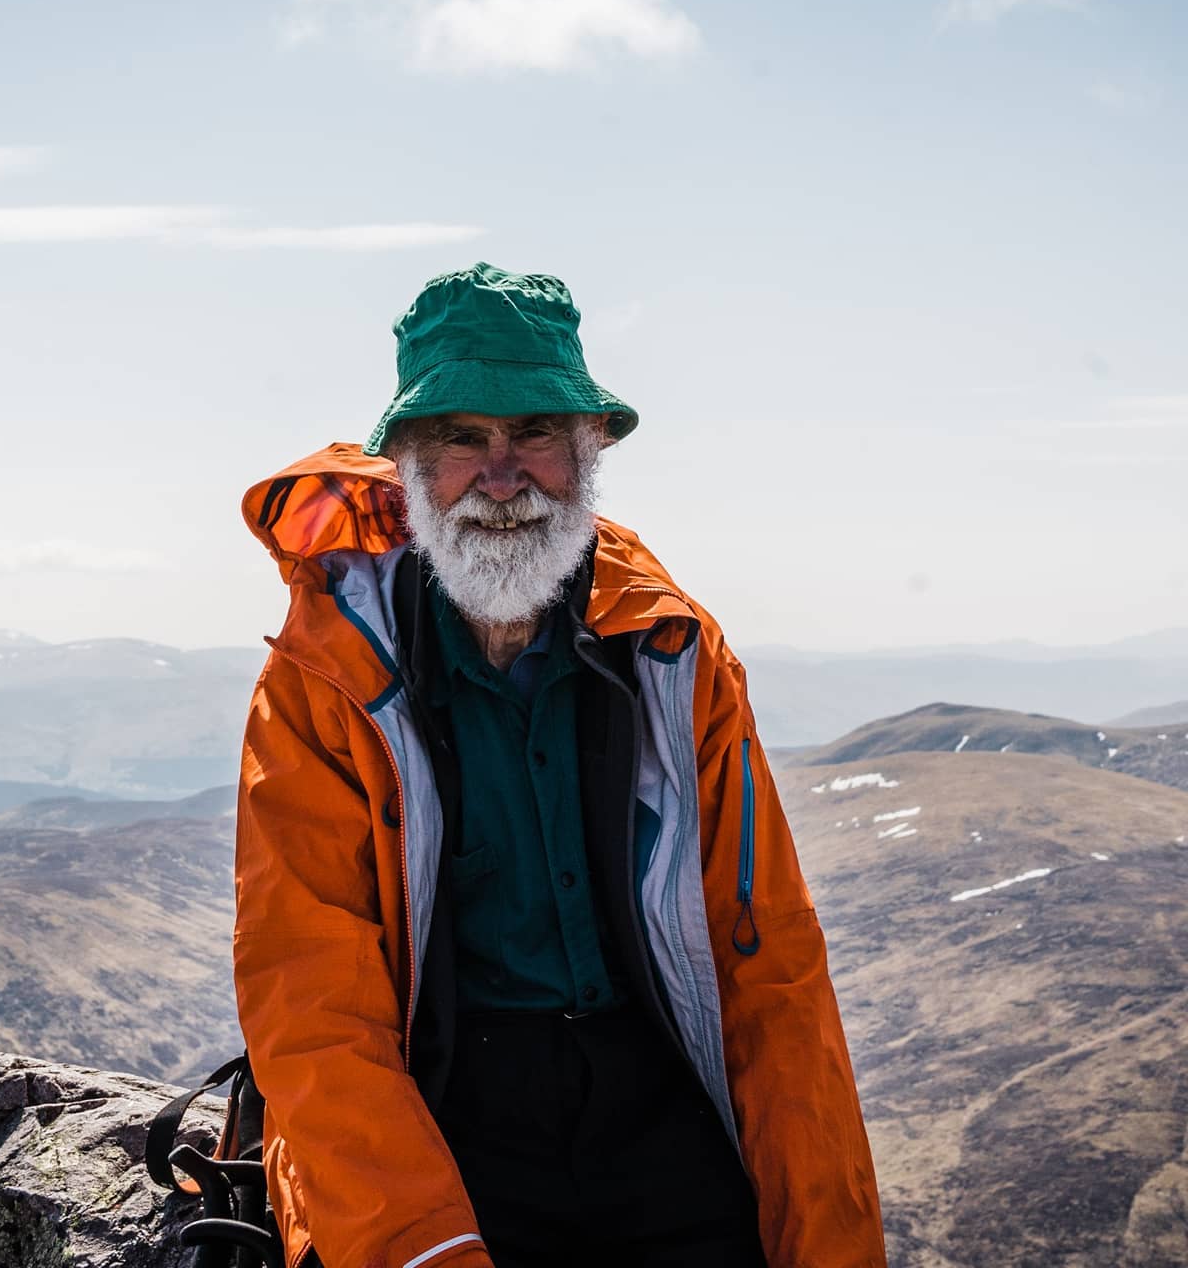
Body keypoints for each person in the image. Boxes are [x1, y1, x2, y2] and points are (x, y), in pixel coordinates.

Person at [234, 263, 886, 1268]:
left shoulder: (674, 655)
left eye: (534, 432)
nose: (502, 476)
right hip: (448, 1098)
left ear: (589, 451)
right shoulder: (327, 679)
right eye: (461, 437)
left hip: (653, 1089)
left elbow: (771, 969)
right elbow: (313, 1005)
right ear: (407, 463)